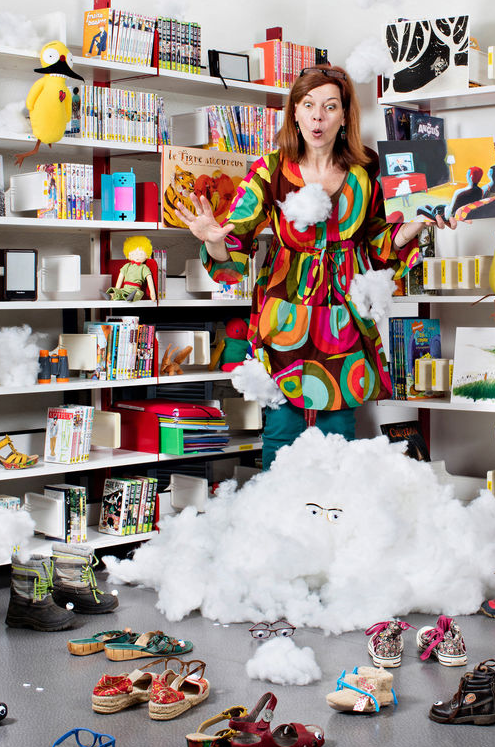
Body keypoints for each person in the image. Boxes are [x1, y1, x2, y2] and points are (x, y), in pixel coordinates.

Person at [175, 65, 449, 469]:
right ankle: (277, 510)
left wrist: (414, 226)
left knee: (338, 433)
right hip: (284, 313)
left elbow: (379, 243)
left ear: (345, 115)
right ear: (295, 112)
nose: (318, 116)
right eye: (308, 105)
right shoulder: (269, 169)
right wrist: (213, 241)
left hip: (344, 316)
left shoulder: (368, 169)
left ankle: (333, 512)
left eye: (330, 106)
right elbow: (233, 246)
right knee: (281, 431)